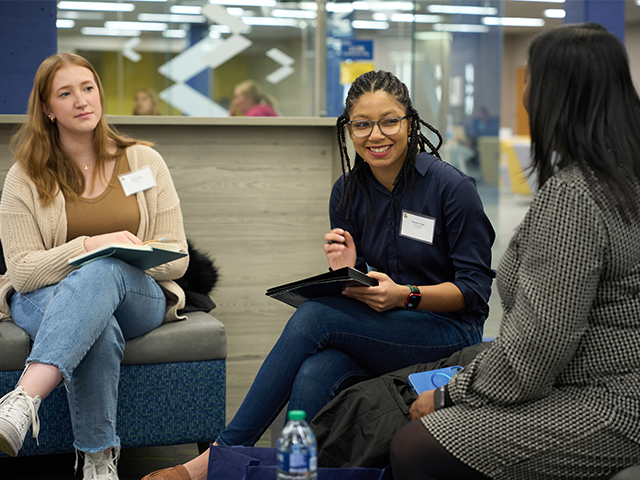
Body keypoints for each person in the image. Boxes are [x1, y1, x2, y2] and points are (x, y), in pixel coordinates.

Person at [143, 69, 495, 480]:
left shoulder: (451, 188)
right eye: (362, 124)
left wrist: (406, 295)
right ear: (348, 129)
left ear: (411, 123)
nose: (376, 135)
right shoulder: (347, 191)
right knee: (316, 369)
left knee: (315, 317)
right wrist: (348, 270)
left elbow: (475, 292)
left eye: (389, 121)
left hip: (448, 332)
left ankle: (222, 455)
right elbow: (370, 285)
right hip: (387, 328)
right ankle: (290, 473)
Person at [390, 23, 640, 480]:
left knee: (415, 445)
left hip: (609, 403)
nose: (524, 94)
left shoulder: (576, 197)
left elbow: (538, 351)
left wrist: (448, 396)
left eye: (529, 80)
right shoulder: (623, 178)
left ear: (553, 95)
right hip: (601, 384)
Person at [0, 53, 189, 479]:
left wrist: (117, 256)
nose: (82, 100)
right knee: (96, 327)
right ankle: (98, 462)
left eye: (88, 88)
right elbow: (24, 271)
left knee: (102, 271)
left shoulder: (144, 162)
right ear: (48, 109)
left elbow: (178, 254)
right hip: (43, 297)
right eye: (65, 93)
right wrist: (89, 245)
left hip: (137, 295)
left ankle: (23, 400)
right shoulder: (24, 176)